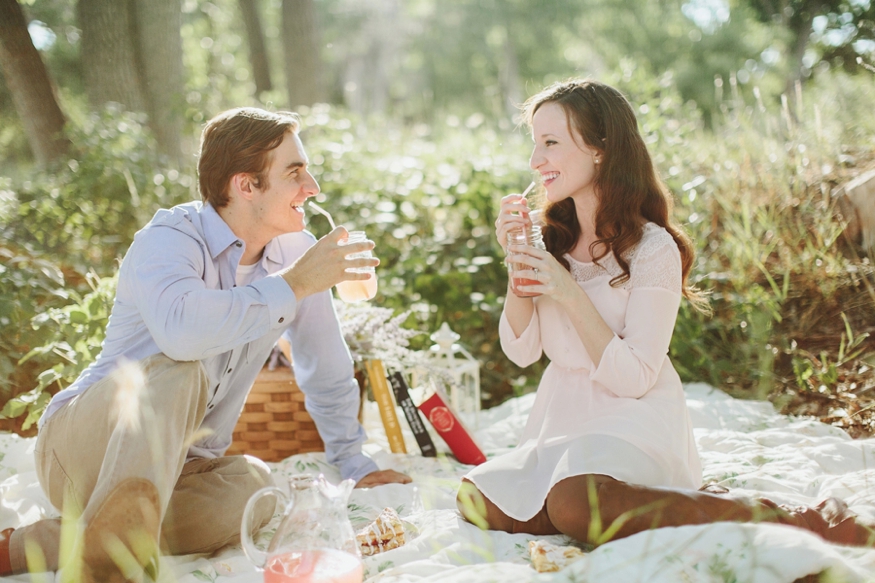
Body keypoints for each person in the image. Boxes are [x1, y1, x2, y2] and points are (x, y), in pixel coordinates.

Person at [456, 79, 874, 548]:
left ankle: (792, 518)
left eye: (550, 143)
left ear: (600, 149)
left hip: (634, 418)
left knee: (574, 503)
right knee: (478, 497)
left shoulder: (653, 248)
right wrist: (518, 266)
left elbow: (634, 378)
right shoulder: (544, 234)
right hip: (564, 417)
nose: (535, 161)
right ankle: (647, 502)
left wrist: (567, 290)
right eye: (534, 144)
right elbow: (521, 352)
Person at [0, 107, 411, 581]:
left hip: (179, 470)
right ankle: (108, 568)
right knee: (181, 367)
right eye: (295, 173)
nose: (313, 187)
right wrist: (295, 284)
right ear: (245, 185)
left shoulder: (295, 253)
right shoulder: (169, 239)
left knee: (255, 487)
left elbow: (324, 358)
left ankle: (47, 543)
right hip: (81, 452)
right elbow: (182, 334)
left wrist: (353, 461)